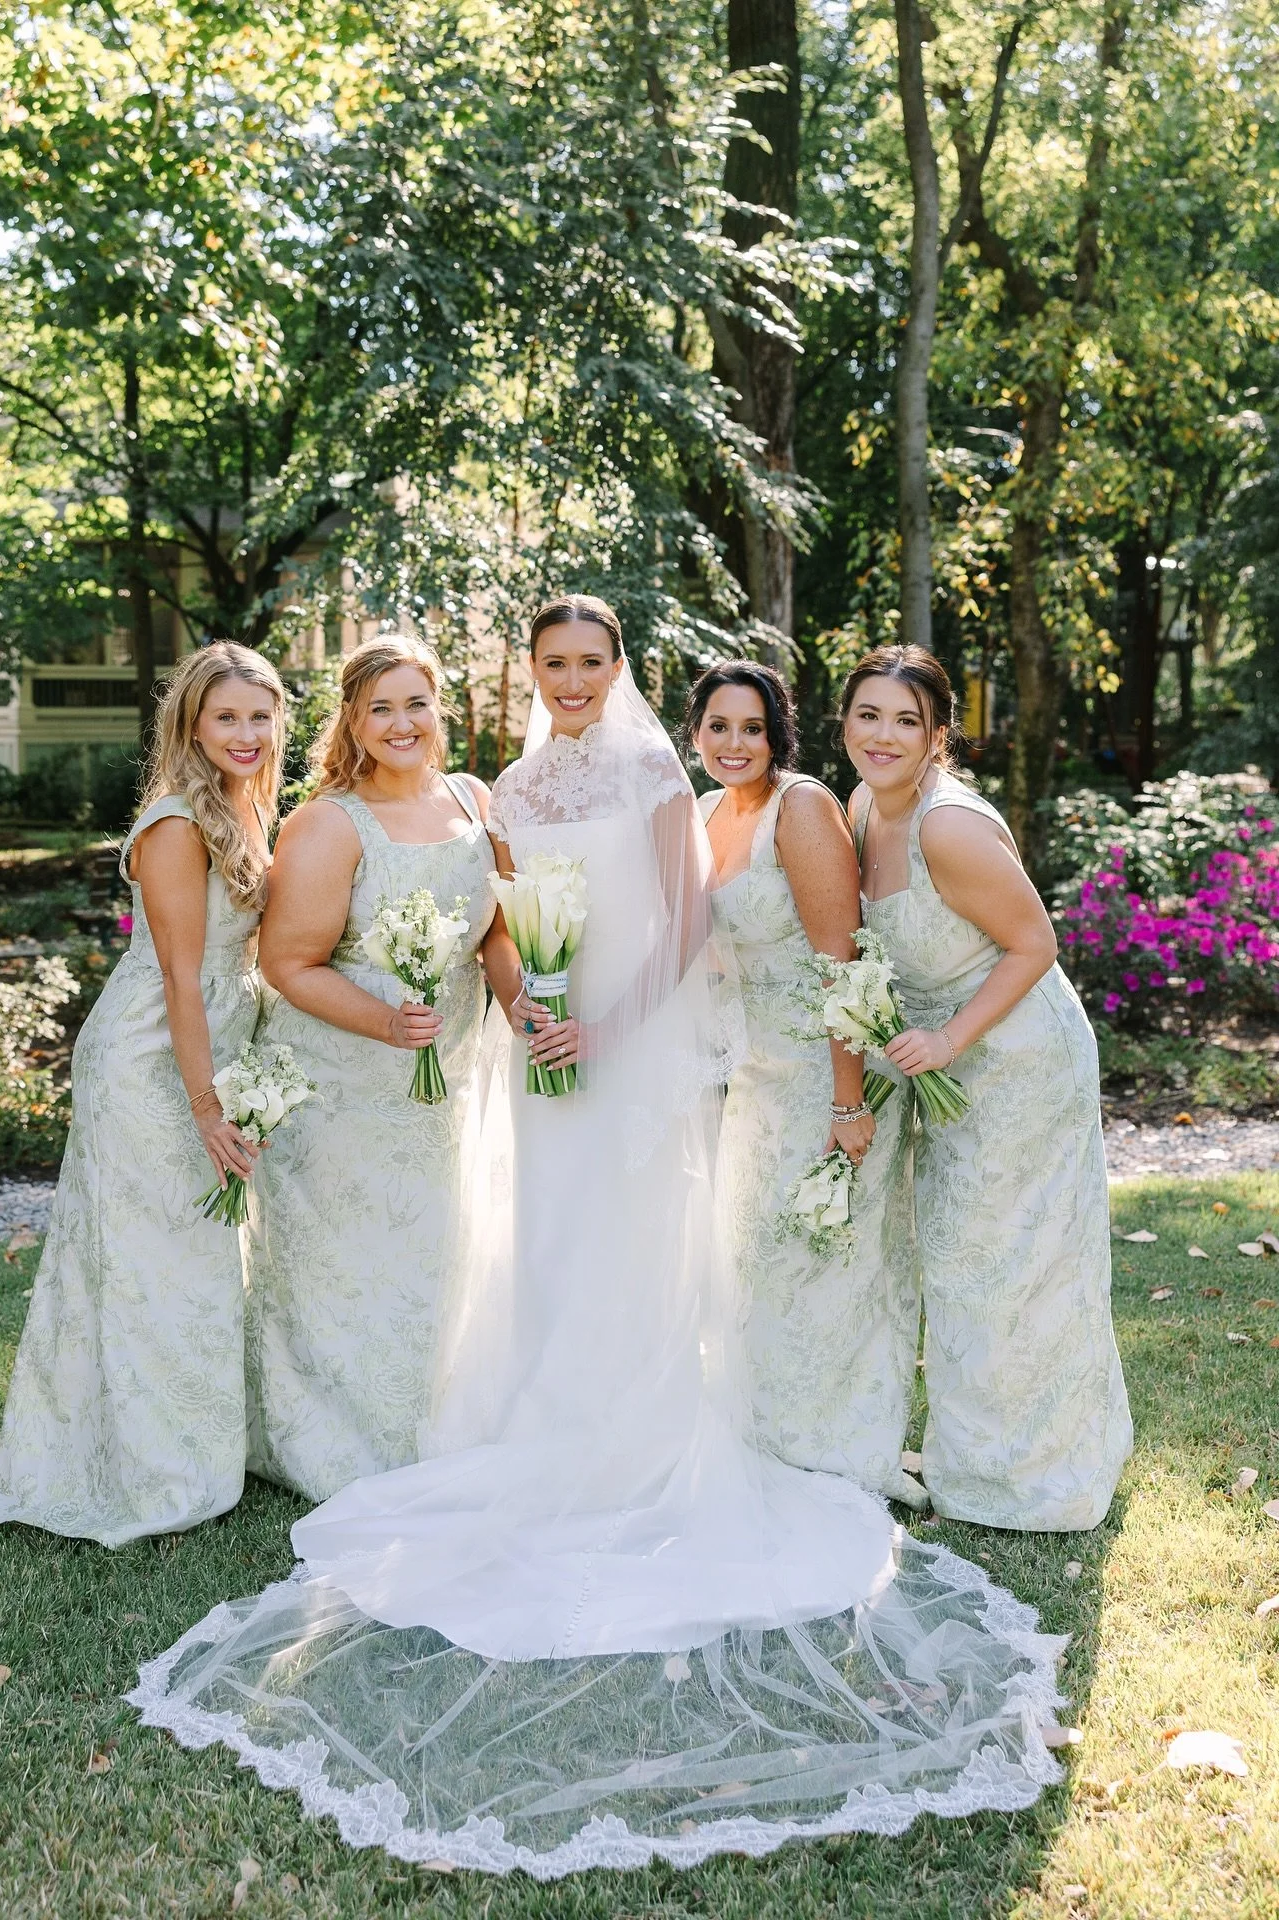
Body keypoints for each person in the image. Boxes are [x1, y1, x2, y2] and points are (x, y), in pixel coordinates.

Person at [130, 601, 1068, 1875]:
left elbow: (687, 917)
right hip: (547, 1048)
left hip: (639, 1041)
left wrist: (615, 1024)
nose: (573, 683)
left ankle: (641, 1423)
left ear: (619, 672)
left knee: (643, 1231)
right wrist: (528, 1008)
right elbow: (501, 922)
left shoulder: (657, 773)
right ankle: (536, 1412)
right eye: (553, 666)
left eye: (593, 664)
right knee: (540, 1228)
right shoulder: (502, 782)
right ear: (529, 678)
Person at [0, 642, 285, 1546]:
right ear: (190, 723)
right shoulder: (174, 823)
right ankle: (147, 1468)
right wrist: (207, 1107)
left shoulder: (245, 806)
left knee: (194, 1259)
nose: (245, 733)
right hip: (150, 1061)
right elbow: (183, 980)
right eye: (226, 716)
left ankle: (195, 1447)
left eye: (260, 716)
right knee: (153, 1262)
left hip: (208, 1057)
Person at [842, 643, 1131, 1530]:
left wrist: (949, 1036)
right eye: (868, 715)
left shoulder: (947, 826)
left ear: (937, 738)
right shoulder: (859, 806)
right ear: (844, 721)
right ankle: (978, 1455)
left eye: (907, 721)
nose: (883, 735)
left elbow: (1034, 945)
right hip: (947, 1062)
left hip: (1018, 1059)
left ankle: (1037, 1474)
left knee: (1011, 1259)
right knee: (963, 1260)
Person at [244, 634, 499, 1501]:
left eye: (415, 704)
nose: (401, 722)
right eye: (380, 707)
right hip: (343, 1084)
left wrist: (526, 1000)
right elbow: (288, 963)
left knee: (436, 1249)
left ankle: (436, 1416)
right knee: (346, 1260)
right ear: (351, 719)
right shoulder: (326, 822)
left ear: (440, 709)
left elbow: (493, 929)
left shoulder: (472, 798)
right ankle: (336, 1434)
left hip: (446, 1077)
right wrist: (388, 1023)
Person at [691, 661, 921, 1506]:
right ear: (696, 733)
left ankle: (841, 1443)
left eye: (752, 728)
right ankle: (774, 1432)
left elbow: (843, 965)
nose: (735, 743)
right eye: (719, 726)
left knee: (832, 1259)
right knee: (762, 1261)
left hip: (832, 1073)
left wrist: (848, 1101)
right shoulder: (704, 814)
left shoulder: (803, 807)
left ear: (777, 731)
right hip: (757, 1077)